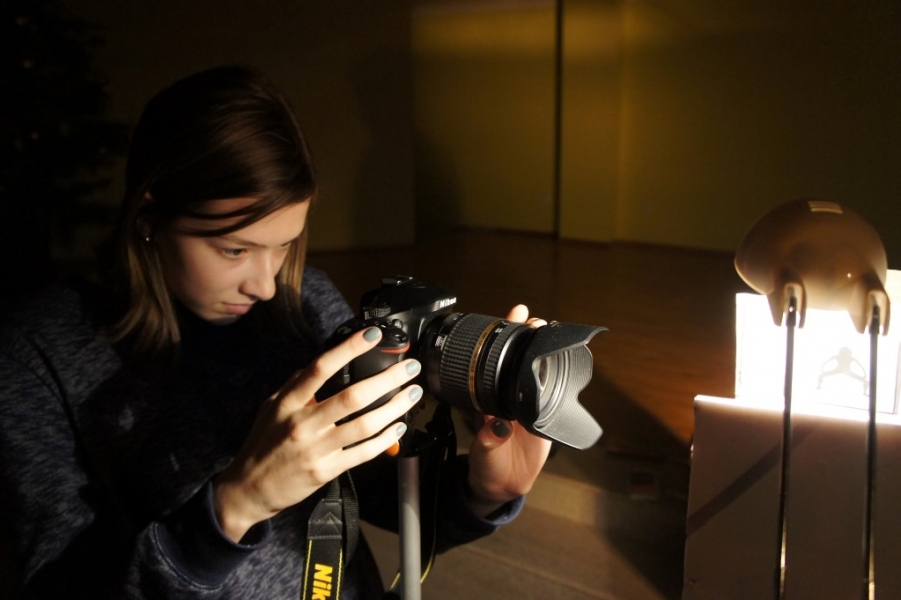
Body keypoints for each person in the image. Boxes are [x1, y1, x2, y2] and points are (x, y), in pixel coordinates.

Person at [0, 65, 551, 599]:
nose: (265, 286)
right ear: (149, 218)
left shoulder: (304, 303)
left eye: (284, 245)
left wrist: (483, 491)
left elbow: (372, 491)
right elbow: (58, 585)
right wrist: (235, 505)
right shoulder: (38, 356)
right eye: (234, 250)